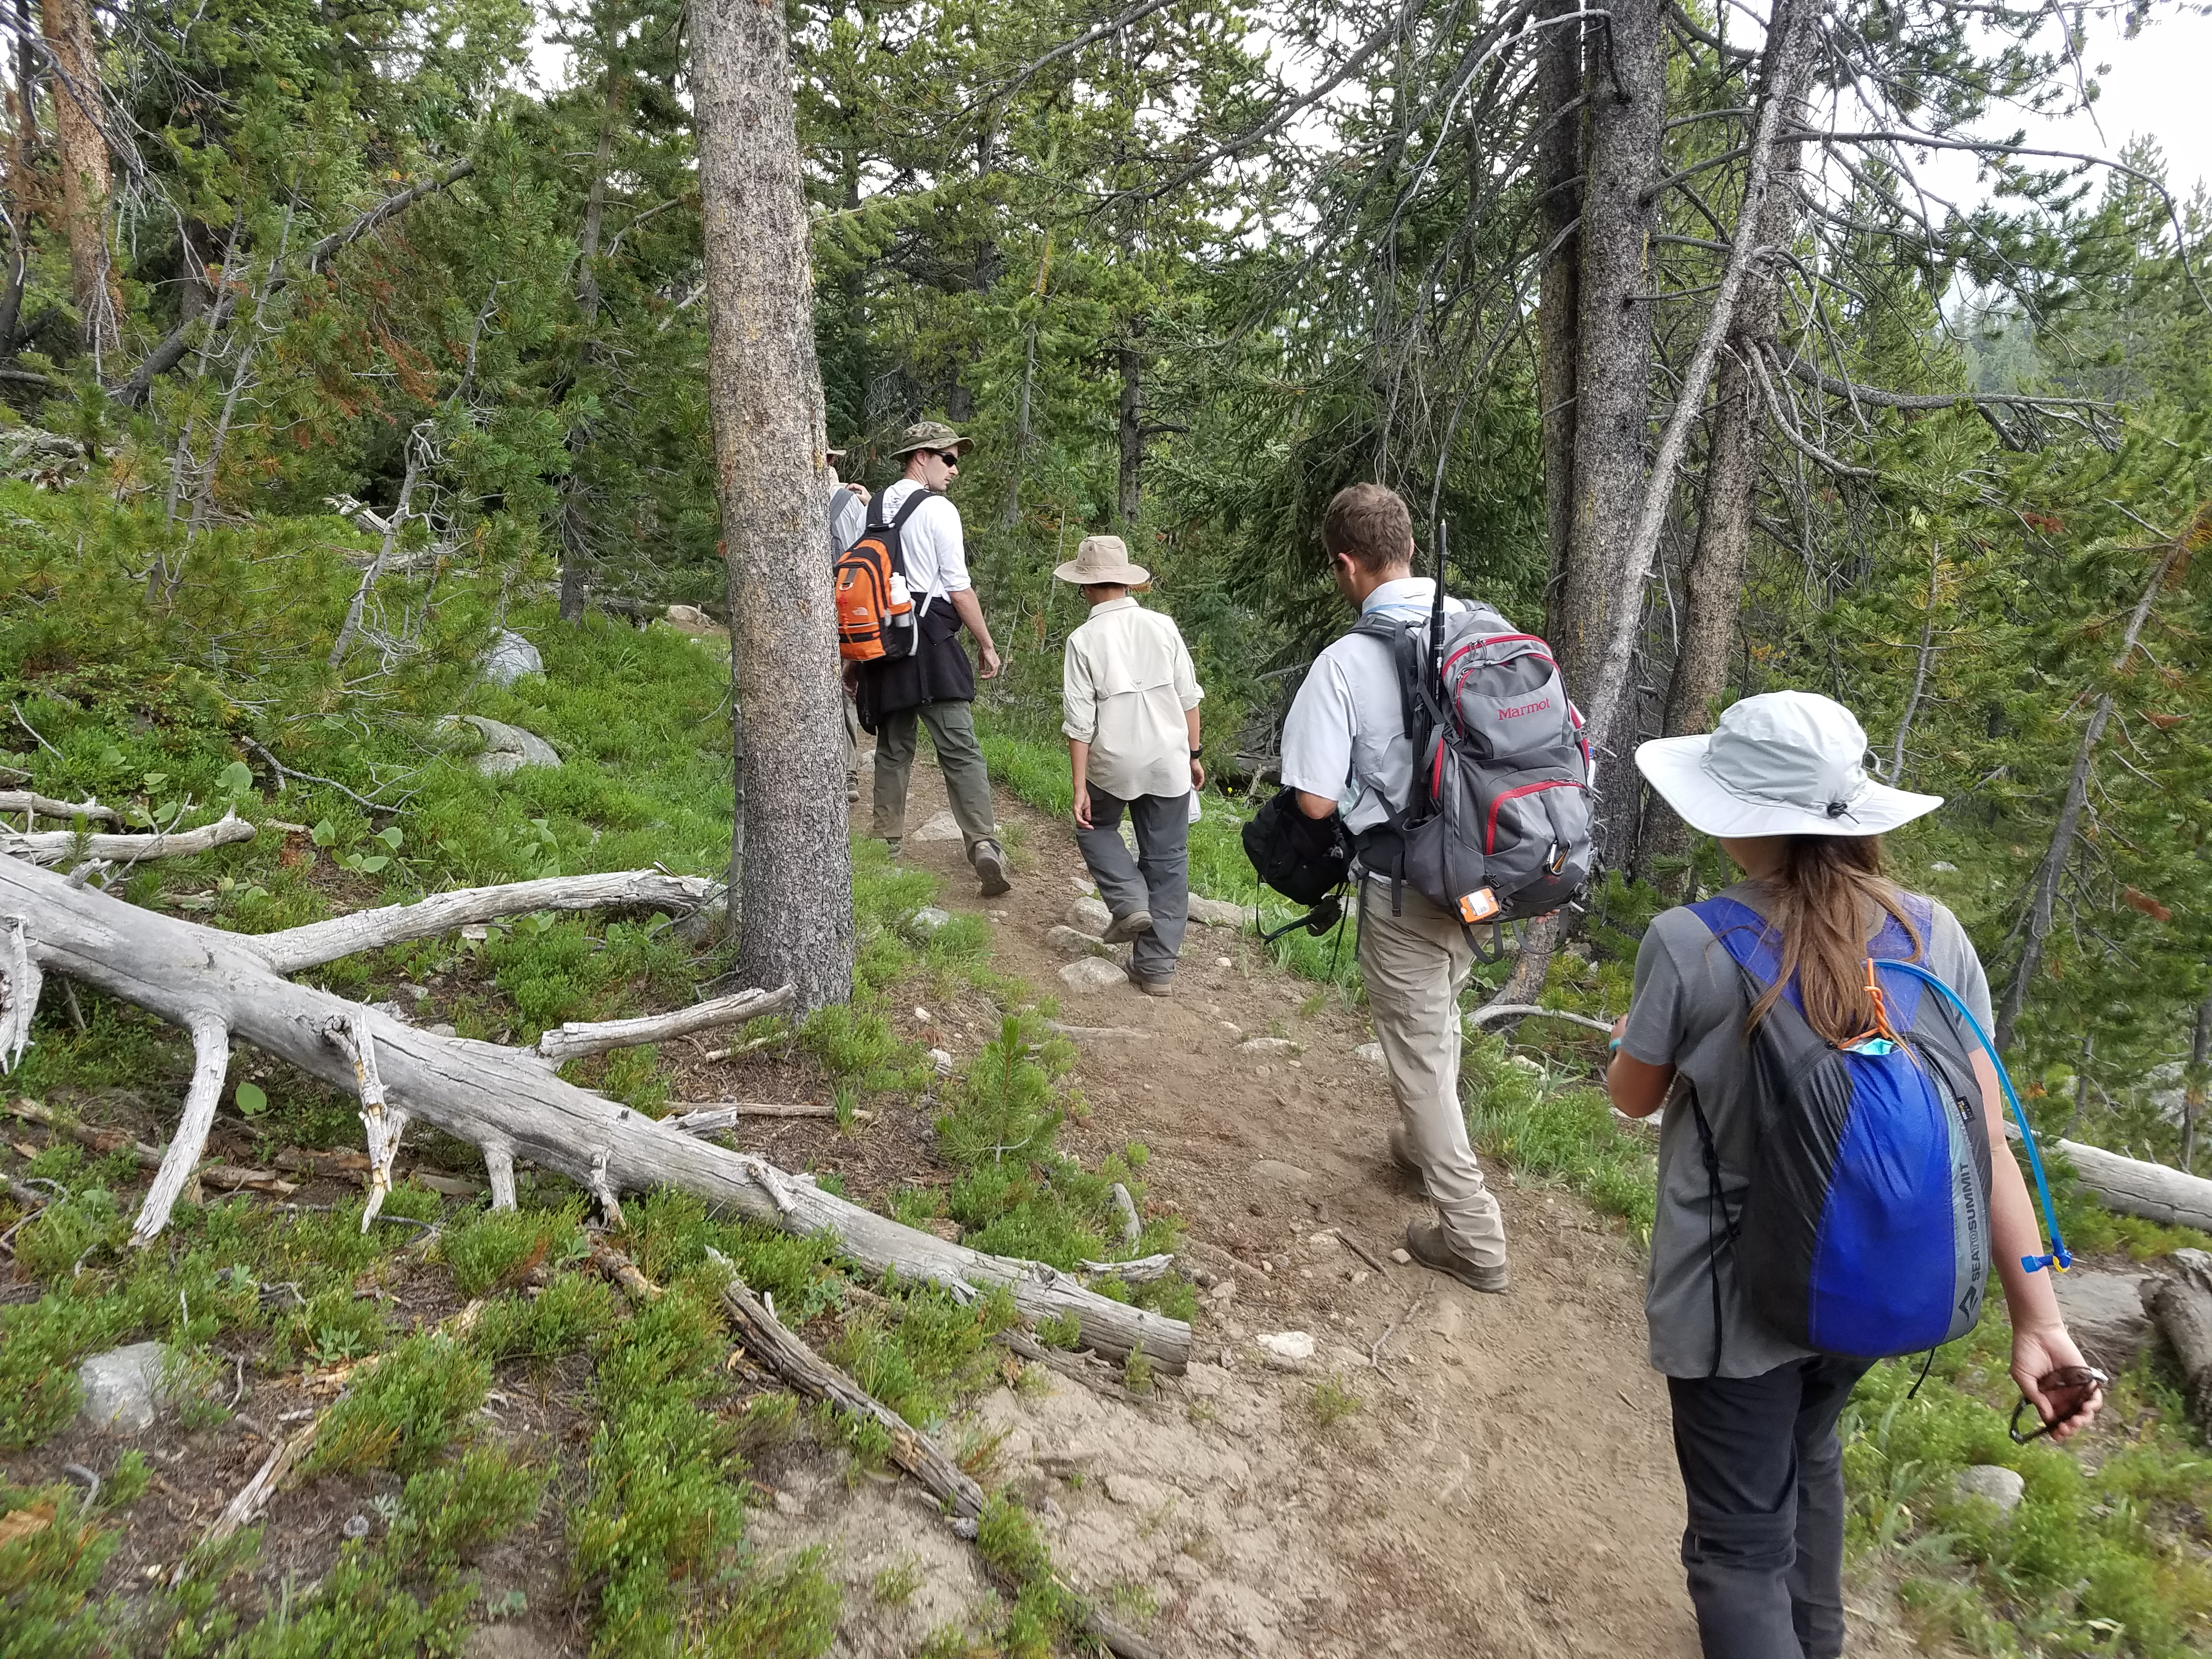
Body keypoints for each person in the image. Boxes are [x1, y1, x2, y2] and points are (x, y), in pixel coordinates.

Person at [1608, 690, 2102, 1659]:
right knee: (1810, 1451)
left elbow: (1631, 1096)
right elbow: (1984, 1140)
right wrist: (2038, 1319)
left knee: (1736, 1548)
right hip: (1871, 1285)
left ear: (1732, 813)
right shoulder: (1931, 934)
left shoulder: (1690, 940)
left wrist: (1634, 1045)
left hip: (1729, 1302)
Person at [1279, 482, 1510, 1294]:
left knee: (1416, 1050)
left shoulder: (1349, 661)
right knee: (1436, 1016)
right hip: (1491, 878)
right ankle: (1418, 1152)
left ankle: (1475, 1237)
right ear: (1407, 545)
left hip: (1409, 881)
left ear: (1347, 565)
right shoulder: (1491, 632)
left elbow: (1311, 798)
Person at [851, 420, 1010, 898]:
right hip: (933, 638)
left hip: (884, 641)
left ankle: (885, 845)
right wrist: (985, 643)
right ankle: (983, 842)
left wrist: (856, 659)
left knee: (894, 749)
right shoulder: (939, 510)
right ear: (920, 456)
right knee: (960, 748)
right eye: (950, 458)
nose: (955, 469)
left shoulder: (875, 506)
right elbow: (958, 589)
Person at [1057, 534, 1205, 997]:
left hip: (1112, 762)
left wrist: (1079, 786)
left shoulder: (1082, 640)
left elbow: (1080, 723)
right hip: (1168, 757)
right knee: (1168, 860)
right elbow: (1188, 698)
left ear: (1085, 588)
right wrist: (1195, 755)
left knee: (1094, 826)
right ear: (1126, 583)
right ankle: (1157, 969)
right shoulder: (1163, 626)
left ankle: (1127, 901)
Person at [826, 448, 870, 804]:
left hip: (803, 610)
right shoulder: (851, 504)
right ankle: (847, 771)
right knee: (843, 688)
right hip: (843, 605)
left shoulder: (783, 496)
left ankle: (843, 771)